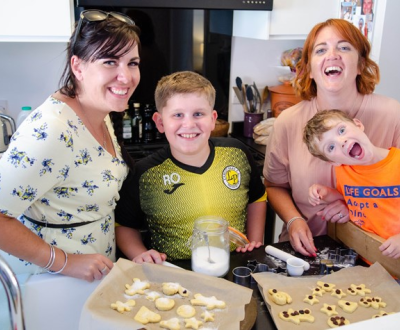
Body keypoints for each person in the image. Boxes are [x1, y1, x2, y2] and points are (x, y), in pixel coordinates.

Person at [0, 10, 141, 281]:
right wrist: (64, 262)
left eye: (132, 63)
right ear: (78, 67)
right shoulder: (51, 131)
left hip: (92, 276)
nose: (125, 77)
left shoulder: (98, 109)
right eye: (110, 62)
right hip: (47, 281)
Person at [263, 18, 400, 257]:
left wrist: (350, 205)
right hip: (308, 252)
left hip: (381, 258)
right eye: (321, 50)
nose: (332, 55)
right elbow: (274, 186)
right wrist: (294, 219)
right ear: (309, 69)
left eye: (344, 47)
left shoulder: (393, 115)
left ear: (360, 65)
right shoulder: (287, 122)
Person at [115, 71, 266, 263]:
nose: (188, 124)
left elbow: (257, 197)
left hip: (235, 265)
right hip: (175, 274)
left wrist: (254, 243)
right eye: (178, 115)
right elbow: (124, 225)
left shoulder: (236, 153)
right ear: (160, 122)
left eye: (198, 114)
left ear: (212, 119)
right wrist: (139, 254)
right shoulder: (146, 174)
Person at [304, 109, 400, 259]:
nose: (342, 142)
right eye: (331, 147)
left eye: (341, 130)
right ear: (333, 162)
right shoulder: (344, 171)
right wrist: (326, 194)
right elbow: (351, 196)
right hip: (365, 258)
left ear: (358, 124)